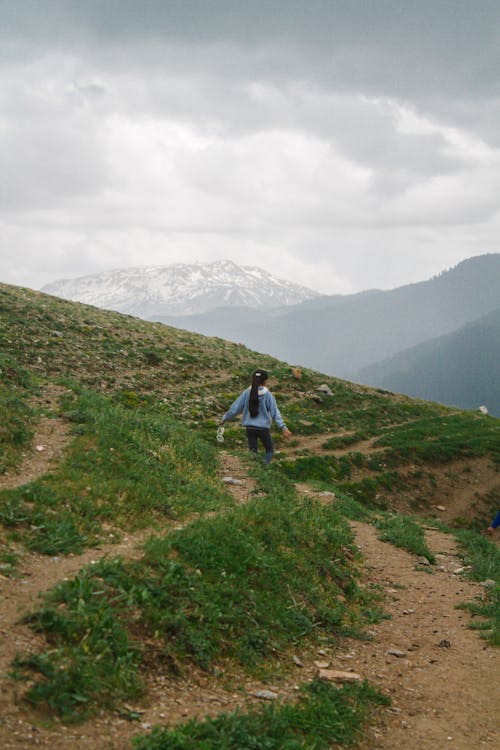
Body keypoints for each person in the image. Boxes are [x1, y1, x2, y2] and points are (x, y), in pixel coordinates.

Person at [219, 369, 292, 463]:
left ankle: (254, 468)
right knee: (269, 450)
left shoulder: (246, 393)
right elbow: (275, 412)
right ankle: (264, 468)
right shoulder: (268, 395)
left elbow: (235, 408)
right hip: (263, 428)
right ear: (265, 381)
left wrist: (224, 418)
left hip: (250, 427)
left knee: (253, 452)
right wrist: (283, 427)